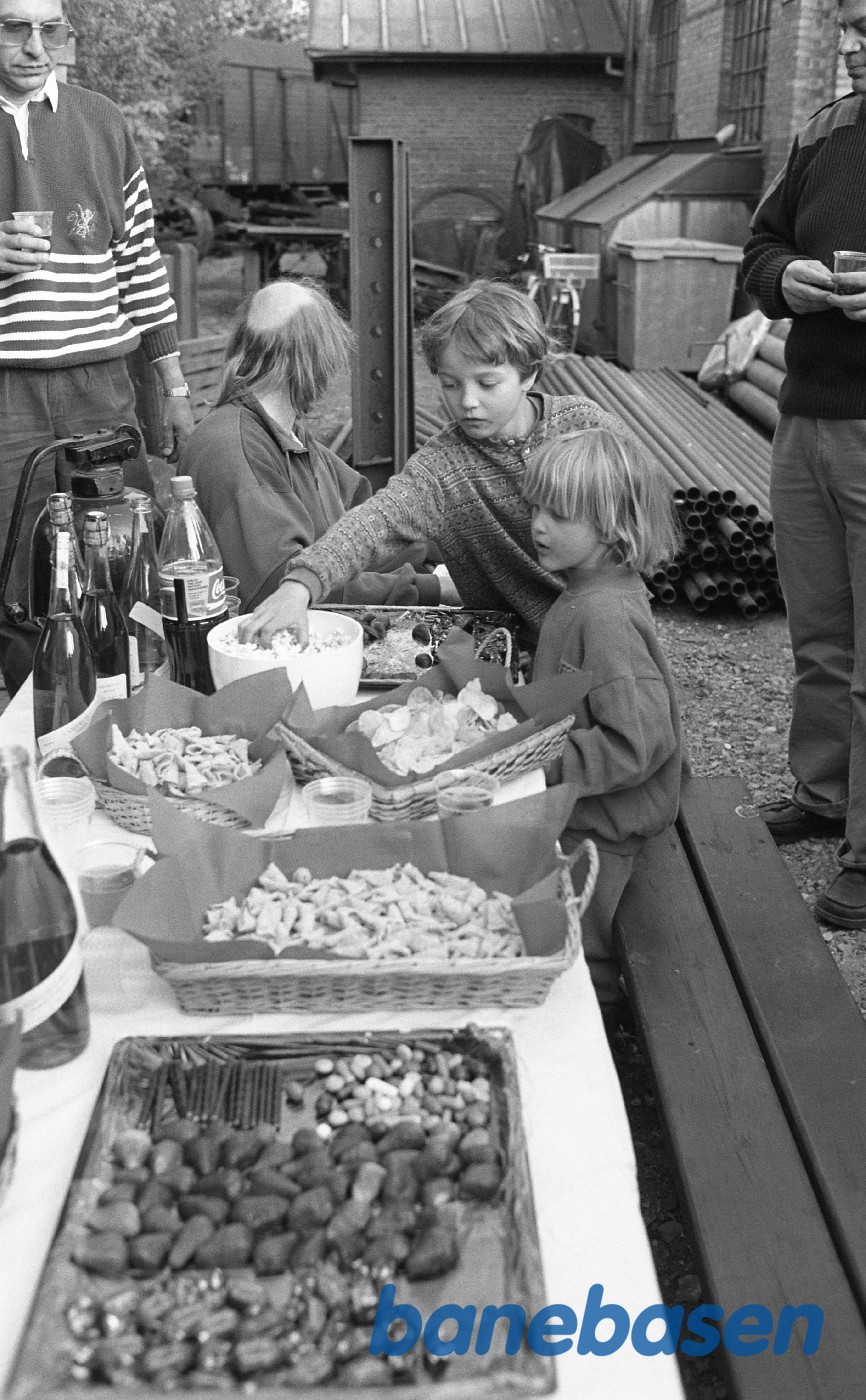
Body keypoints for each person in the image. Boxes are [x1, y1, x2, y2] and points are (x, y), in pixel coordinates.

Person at [240, 278, 627, 650]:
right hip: (511, 643)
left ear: (529, 373)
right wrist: (299, 586)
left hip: (604, 624)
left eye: (487, 383)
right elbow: (373, 524)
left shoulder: (586, 427)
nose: (467, 401)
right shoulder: (443, 468)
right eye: (450, 384)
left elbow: (640, 518)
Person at [0, 0, 194, 629]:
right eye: (14, 29)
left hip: (100, 388)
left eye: (49, 30)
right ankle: (31, 715)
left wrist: (173, 385)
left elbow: (140, 261)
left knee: (123, 561)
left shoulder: (103, 122)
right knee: (17, 587)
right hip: (7, 393)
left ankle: (131, 713)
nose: (35, 48)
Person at [741, 0, 866, 928]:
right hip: (807, 418)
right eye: (855, 28)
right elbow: (759, 248)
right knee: (818, 634)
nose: (857, 46)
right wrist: (784, 281)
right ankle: (823, 797)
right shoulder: (828, 130)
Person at [522, 426, 684, 1017]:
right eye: (534, 506)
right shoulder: (586, 590)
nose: (538, 524)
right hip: (588, 809)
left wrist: (538, 762)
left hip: (605, 832)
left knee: (576, 968)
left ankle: (611, 1020)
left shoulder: (605, 616)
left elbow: (637, 742)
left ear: (613, 526)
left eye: (559, 514)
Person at [179, 279, 440, 612]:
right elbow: (285, 588)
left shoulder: (288, 433)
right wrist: (433, 589)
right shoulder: (234, 449)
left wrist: (441, 545)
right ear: (317, 357)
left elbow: (368, 521)